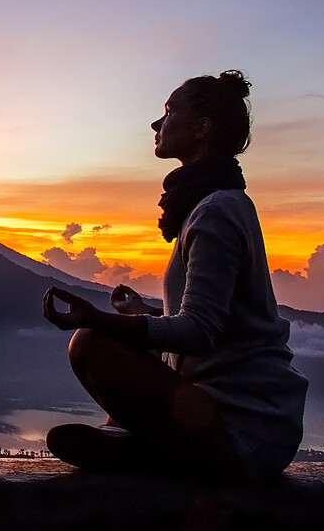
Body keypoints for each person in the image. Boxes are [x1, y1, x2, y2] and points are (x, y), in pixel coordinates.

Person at [41, 70, 308, 483]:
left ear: (202, 128)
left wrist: (100, 320)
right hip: (245, 422)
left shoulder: (215, 211)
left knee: (90, 344)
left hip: (245, 431)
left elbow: (200, 331)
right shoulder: (217, 205)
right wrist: (143, 311)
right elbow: (217, 320)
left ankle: (139, 442)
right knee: (114, 340)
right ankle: (135, 440)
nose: (156, 124)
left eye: (168, 112)